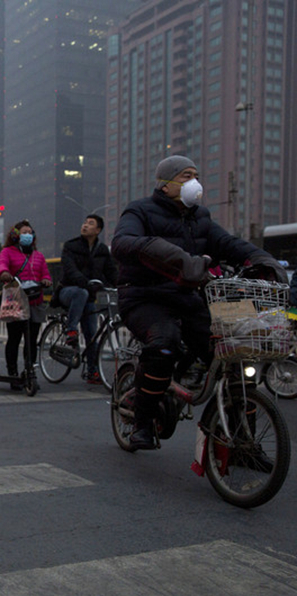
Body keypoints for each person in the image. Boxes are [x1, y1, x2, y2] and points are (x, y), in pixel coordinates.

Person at [112, 155, 286, 450]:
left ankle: (244, 443)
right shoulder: (139, 210)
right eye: (185, 176)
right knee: (163, 343)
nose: (194, 182)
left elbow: (228, 244)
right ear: (164, 185)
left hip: (187, 297)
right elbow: (123, 243)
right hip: (143, 297)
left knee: (234, 349)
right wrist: (177, 259)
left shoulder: (200, 218)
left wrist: (262, 261)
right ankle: (142, 423)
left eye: (196, 175)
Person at [56, 214, 118, 383]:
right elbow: (69, 270)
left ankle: (93, 372)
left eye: (90, 224)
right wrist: (86, 283)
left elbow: (111, 272)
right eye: (85, 222)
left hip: (88, 297)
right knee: (81, 292)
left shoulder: (102, 250)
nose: (85, 225)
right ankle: (71, 328)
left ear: (98, 230)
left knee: (92, 336)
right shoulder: (71, 246)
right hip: (68, 292)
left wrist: (123, 285)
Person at [0, 220, 51, 390]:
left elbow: (46, 274)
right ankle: (12, 372)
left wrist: (46, 281)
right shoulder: (7, 252)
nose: (27, 235)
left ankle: (30, 371)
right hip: (16, 301)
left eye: (30, 232)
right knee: (14, 338)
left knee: (31, 339)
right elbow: (1, 265)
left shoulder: (39, 256)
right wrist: (4, 273)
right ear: (16, 235)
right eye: (24, 232)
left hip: (35, 301)